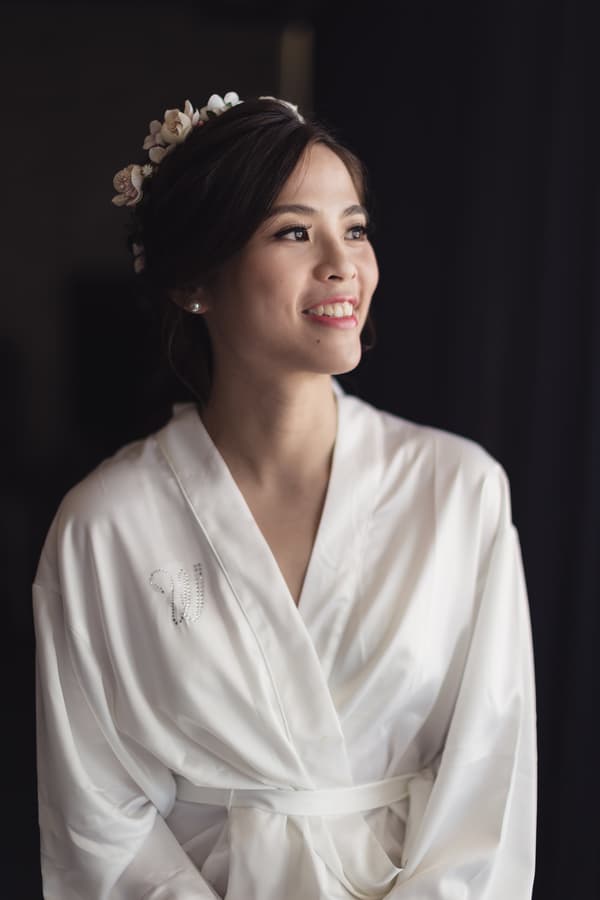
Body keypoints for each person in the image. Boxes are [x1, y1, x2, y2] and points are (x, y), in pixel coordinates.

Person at [33, 91, 537, 899]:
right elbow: (96, 815)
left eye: (356, 228)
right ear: (195, 279)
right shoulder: (107, 525)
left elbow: (490, 773)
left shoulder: (456, 490)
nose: (343, 263)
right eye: (294, 232)